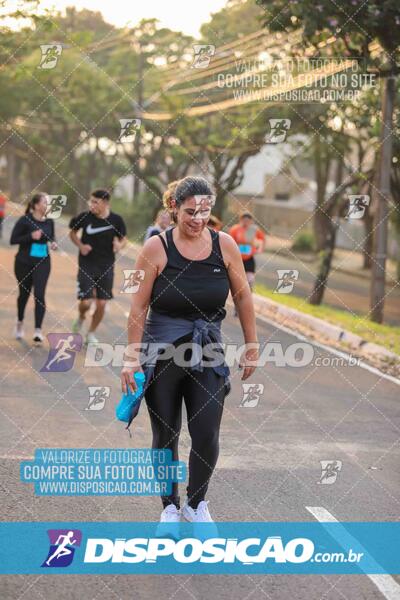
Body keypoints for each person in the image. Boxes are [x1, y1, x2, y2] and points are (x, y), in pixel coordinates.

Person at [120, 176, 259, 527]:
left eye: (205, 211)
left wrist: (252, 343)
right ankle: (169, 505)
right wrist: (131, 356)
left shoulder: (224, 245)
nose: (197, 218)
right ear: (173, 208)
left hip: (207, 351)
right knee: (166, 433)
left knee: (207, 431)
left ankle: (197, 505)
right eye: (189, 211)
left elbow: (242, 295)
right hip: (163, 354)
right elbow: (138, 306)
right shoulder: (155, 249)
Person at [69, 189, 127, 344]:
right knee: (86, 302)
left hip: (106, 266)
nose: (92, 204)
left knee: (101, 303)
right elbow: (72, 233)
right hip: (87, 264)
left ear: (106, 203)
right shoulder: (85, 216)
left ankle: (90, 334)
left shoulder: (116, 220)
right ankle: (81, 317)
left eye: (96, 202)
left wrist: (119, 245)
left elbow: (124, 239)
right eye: (91, 201)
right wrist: (80, 245)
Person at [10, 192, 57, 342]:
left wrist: (53, 243)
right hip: (24, 262)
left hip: (43, 262)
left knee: (40, 294)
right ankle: (19, 322)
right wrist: (30, 236)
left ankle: (38, 330)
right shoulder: (25, 220)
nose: (47, 205)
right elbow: (13, 240)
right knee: (24, 294)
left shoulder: (49, 222)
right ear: (36, 205)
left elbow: (51, 237)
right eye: (44, 202)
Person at [229, 212, 266, 294]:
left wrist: (259, 249)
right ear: (240, 220)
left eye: (248, 221)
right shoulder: (235, 229)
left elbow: (262, 239)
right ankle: (237, 294)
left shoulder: (254, 230)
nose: (246, 222)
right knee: (237, 279)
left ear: (251, 221)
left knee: (250, 278)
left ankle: (248, 293)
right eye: (244, 220)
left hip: (249, 258)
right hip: (237, 258)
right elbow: (230, 241)